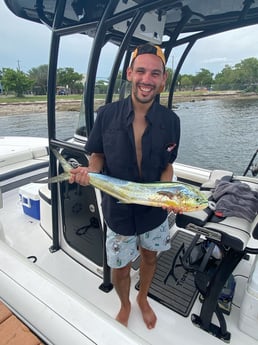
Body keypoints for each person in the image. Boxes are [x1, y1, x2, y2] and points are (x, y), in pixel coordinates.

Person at [69, 43, 180, 329]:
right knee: (118, 266)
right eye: (141, 71)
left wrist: (167, 193)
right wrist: (89, 173)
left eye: (155, 74)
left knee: (150, 256)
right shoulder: (106, 114)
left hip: (153, 211)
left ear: (163, 79)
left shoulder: (172, 121)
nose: (147, 79)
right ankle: (125, 303)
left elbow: (167, 165)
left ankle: (142, 297)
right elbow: (97, 156)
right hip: (117, 211)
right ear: (130, 73)